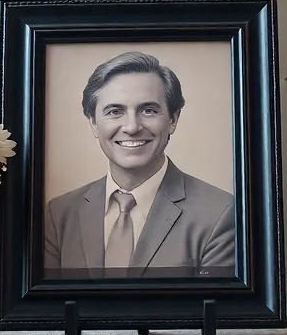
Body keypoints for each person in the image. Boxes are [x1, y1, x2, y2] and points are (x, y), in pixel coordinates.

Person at [44, 51, 236, 278]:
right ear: (93, 123)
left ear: (173, 119)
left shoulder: (220, 213)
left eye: (148, 110)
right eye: (115, 111)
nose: (132, 127)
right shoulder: (58, 215)